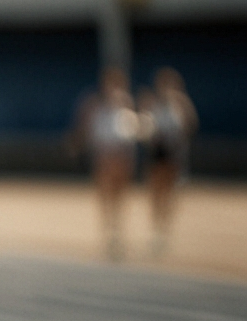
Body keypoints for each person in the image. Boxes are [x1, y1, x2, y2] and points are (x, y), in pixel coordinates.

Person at [71, 66, 138, 261]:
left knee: (120, 195)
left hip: (120, 155)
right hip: (104, 155)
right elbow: (85, 127)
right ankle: (109, 232)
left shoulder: (126, 103)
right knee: (105, 195)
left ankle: (118, 231)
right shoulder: (94, 104)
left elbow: (130, 132)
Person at [138, 66, 197, 256]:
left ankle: (164, 231)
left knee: (170, 194)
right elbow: (145, 128)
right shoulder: (152, 104)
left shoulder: (180, 105)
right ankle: (156, 230)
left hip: (173, 155)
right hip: (157, 155)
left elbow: (190, 126)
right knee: (156, 193)